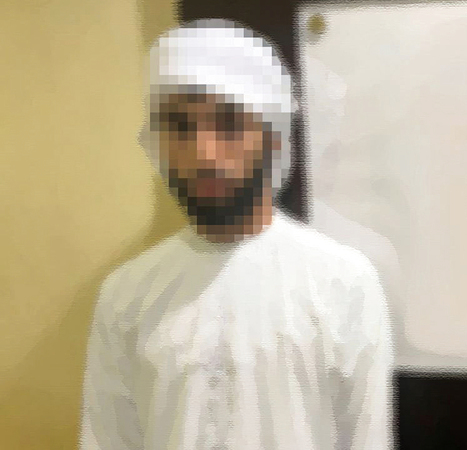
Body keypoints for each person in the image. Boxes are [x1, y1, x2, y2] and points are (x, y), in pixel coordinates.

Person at [79, 19, 393, 450]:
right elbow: (107, 440)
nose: (204, 154)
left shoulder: (343, 281)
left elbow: (366, 440)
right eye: (180, 126)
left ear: (271, 135)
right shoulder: (127, 295)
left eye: (228, 123)